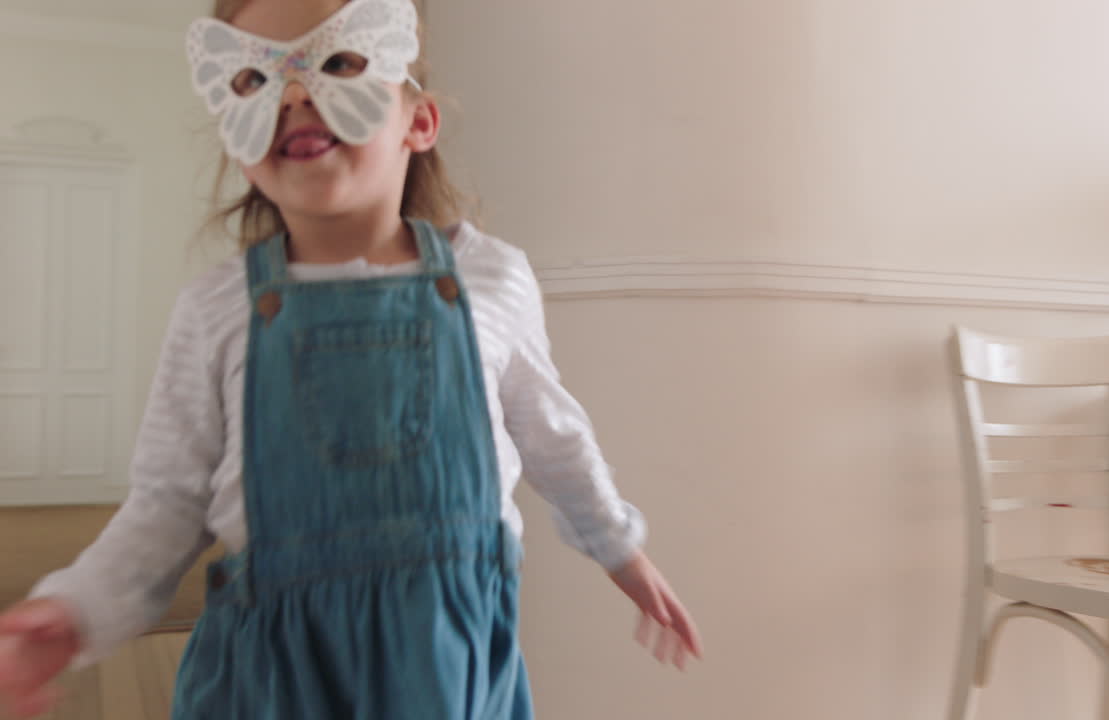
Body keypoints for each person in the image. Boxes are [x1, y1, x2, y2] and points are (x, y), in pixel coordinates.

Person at [0, 0, 701, 716]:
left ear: (419, 122)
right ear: (237, 142)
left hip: (445, 666)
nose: (297, 94)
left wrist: (621, 548)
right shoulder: (217, 309)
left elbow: (556, 439)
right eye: (254, 80)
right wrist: (77, 609)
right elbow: (166, 505)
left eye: (338, 62)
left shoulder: (492, 279)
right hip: (270, 681)